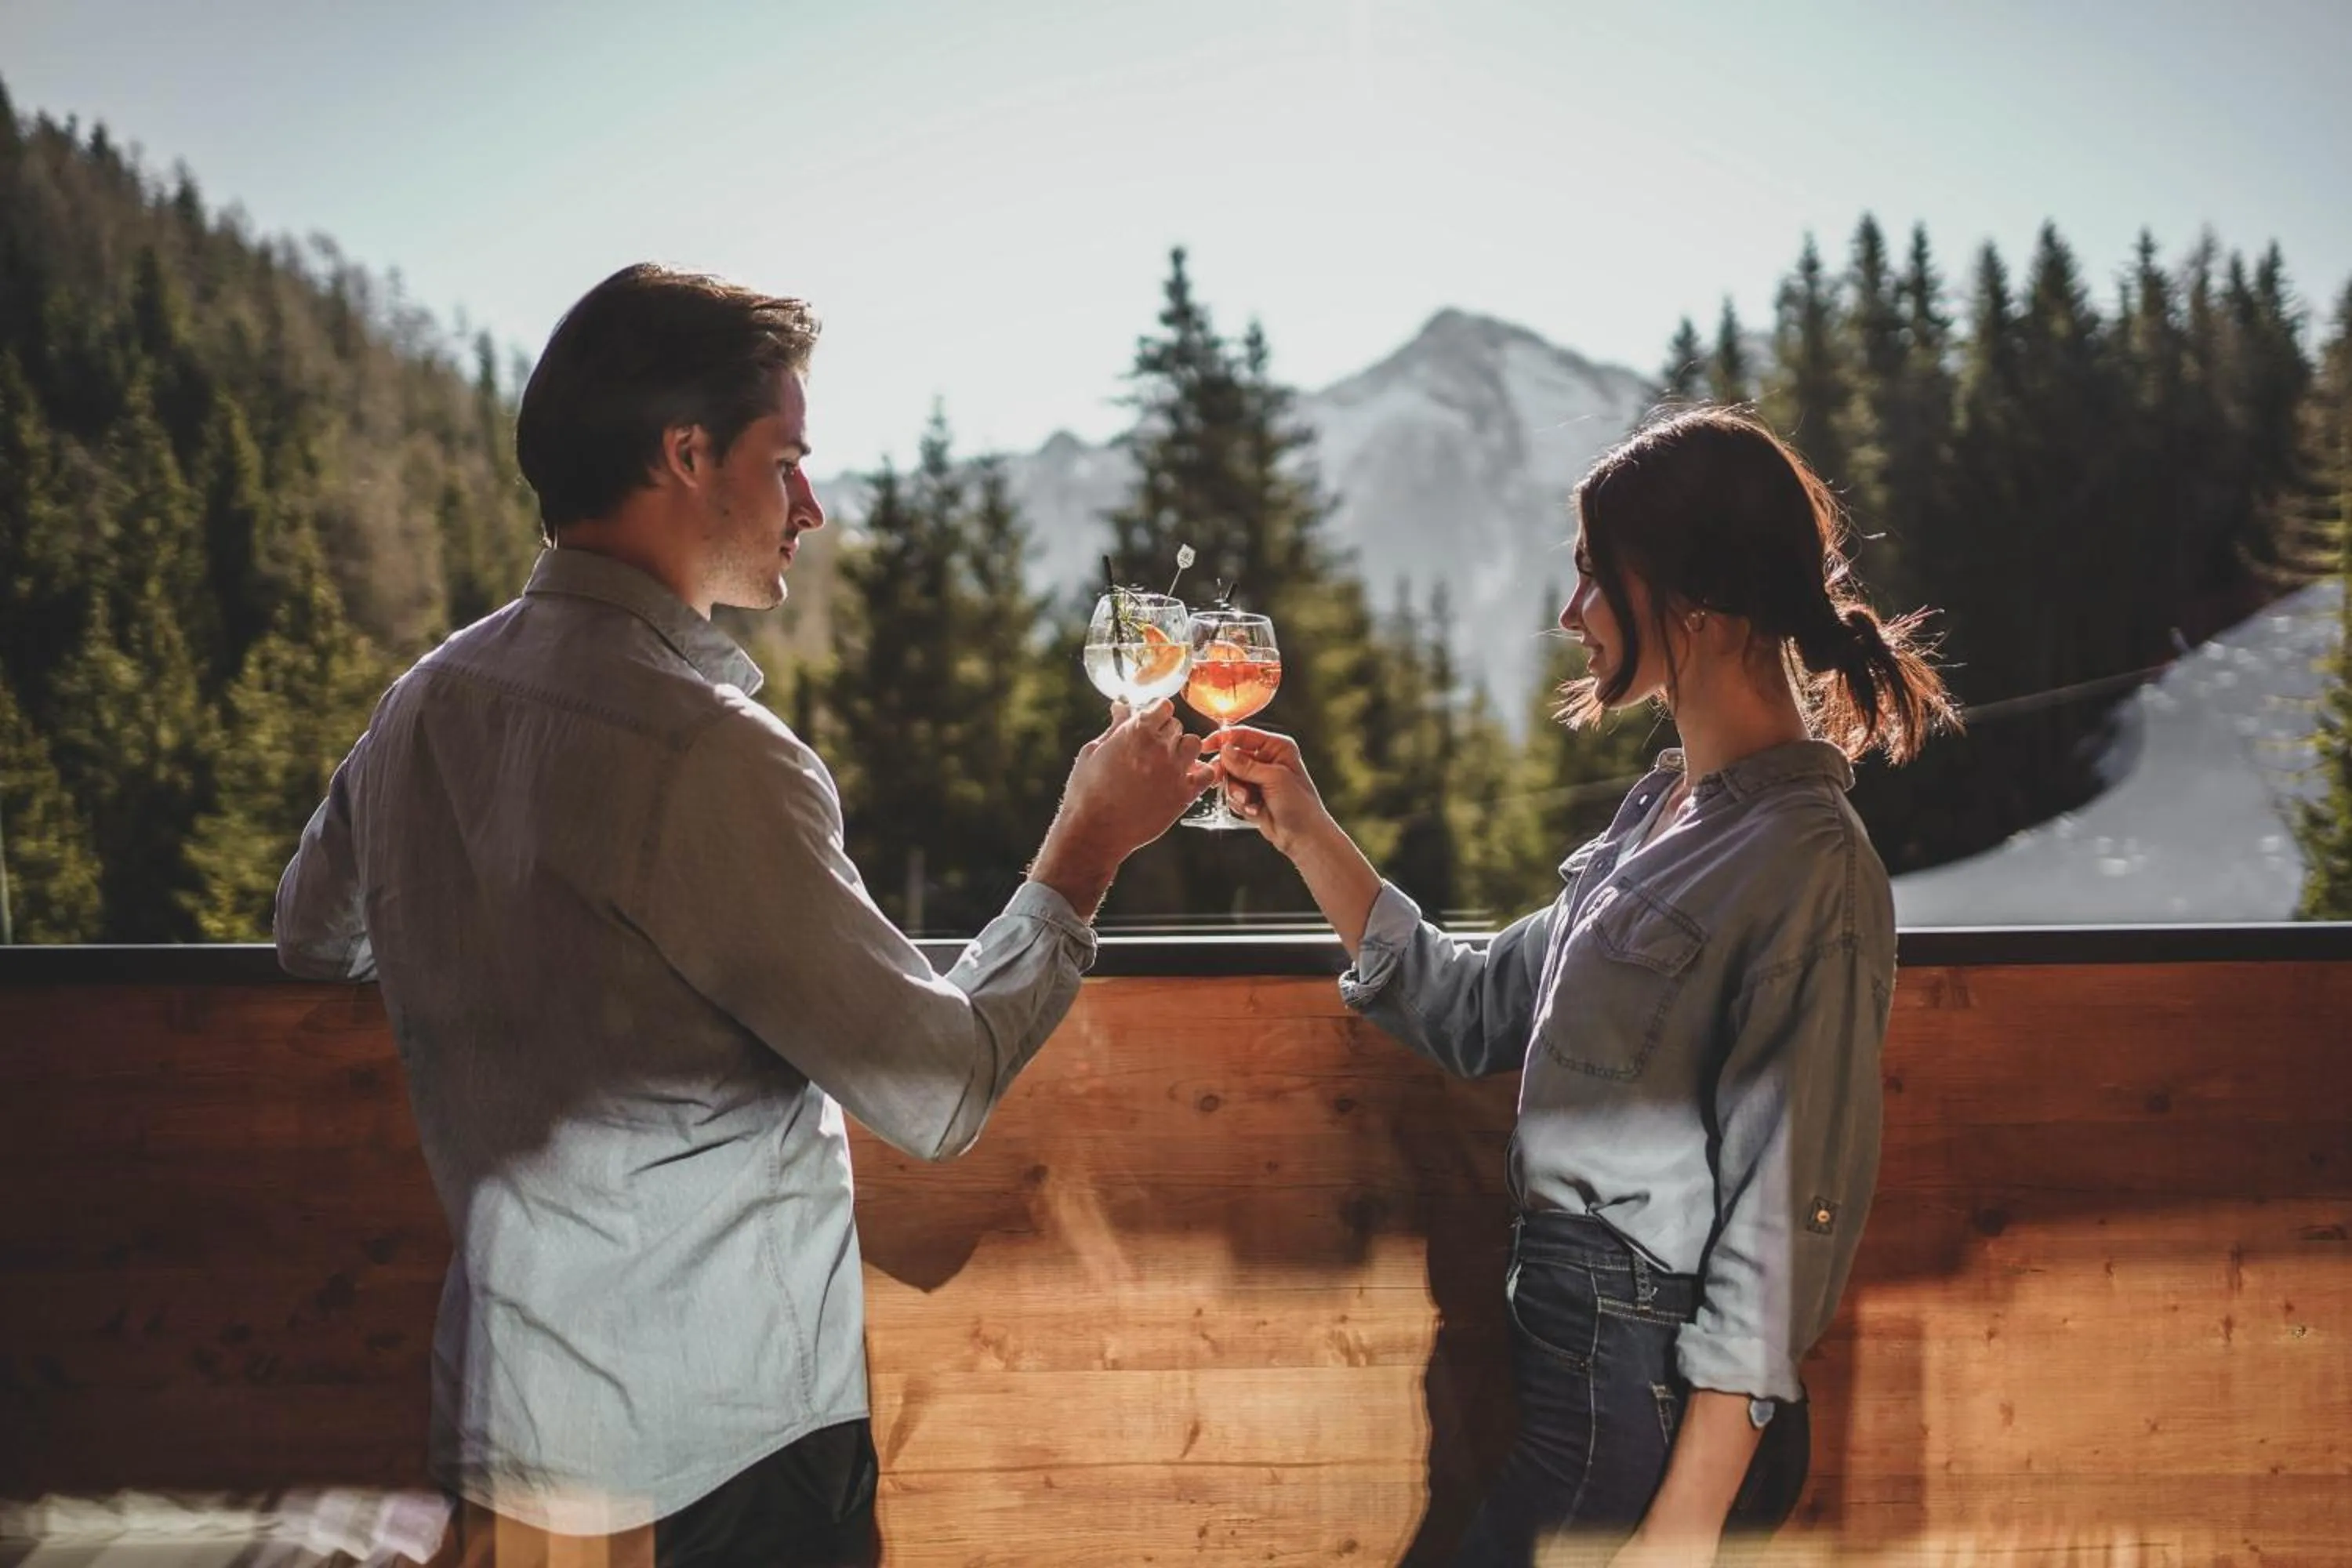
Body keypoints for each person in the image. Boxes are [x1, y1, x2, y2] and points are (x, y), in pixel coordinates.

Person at [274, 263, 1210, 1567]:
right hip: (724, 1460)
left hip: (506, 1431)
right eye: (787, 463)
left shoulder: (422, 706)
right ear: (686, 454)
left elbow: (312, 936)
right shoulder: (709, 753)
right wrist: (1089, 844)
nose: (810, 507)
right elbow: (935, 1092)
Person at [1210, 407, 1957, 1566]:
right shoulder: (1658, 821)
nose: (1571, 614)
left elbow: (1787, 1219)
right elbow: (1469, 1011)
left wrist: (1682, 1530)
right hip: (1588, 1381)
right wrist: (1305, 830)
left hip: (1651, 1412)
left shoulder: (1810, 862)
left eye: (1595, 577)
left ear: (1694, 598)